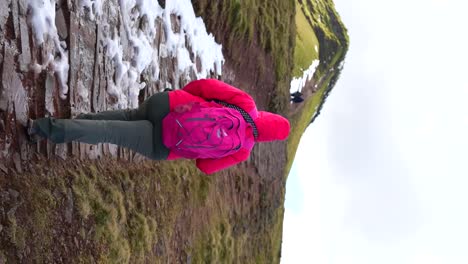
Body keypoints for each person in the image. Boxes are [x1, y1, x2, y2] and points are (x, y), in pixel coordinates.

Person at [28, 79, 290, 174]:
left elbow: (205, 86)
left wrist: (182, 100)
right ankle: (45, 129)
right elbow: (204, 167)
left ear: (268, 117)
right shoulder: (243, 151)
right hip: (164, 144)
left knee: (125, 116)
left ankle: (70, 123)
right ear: (267, 139)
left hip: (169, 104)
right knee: (110, 132)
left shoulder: (247, 104)